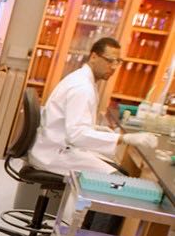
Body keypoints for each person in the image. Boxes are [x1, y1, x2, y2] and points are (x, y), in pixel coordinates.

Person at [29, 37, 157, 175]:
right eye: (110, 61)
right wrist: (124, 138)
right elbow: (77, 135)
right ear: (94, 56)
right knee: (118, 178)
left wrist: (96, 129)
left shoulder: (83, 80)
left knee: (115, 166)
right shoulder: (82, 88)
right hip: (56, 154)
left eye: (118, 62)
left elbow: (71, 123)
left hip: (57, 146)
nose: (114, 67)